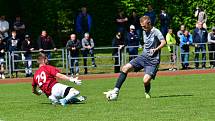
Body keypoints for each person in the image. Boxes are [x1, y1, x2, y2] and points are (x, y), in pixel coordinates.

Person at [104, 16, 166, 100]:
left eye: (144, 26)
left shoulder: (156, 31)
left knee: (145, 81)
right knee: (125, 68)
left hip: (153, 60)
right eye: (141, 26)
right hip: (143, 57)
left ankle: (147, 91)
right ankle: (116, 91)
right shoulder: (144, 31)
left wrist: (156, 49)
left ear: (149, 23)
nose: (142, 28)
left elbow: (163, 42)